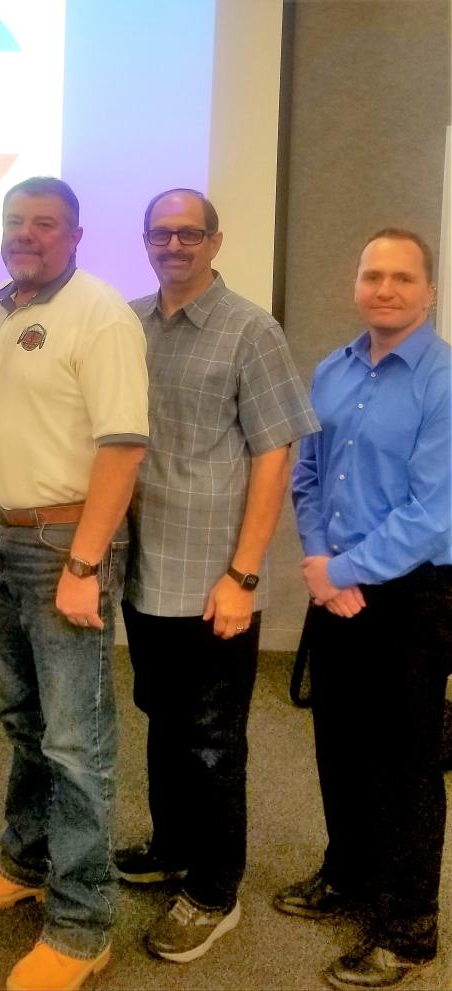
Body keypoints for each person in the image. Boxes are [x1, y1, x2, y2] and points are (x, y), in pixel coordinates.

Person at [0, 176, 149, 991]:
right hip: (3, 534)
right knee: (23, 718)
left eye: (43, 224)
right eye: (13, 222)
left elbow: (124, 447)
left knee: (77, 740)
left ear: (74, 234)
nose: (24, 235)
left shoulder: (98, 314)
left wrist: (85, 565)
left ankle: (81, 923)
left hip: (65, 543)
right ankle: (27, 861)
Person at [116, 188, 317, 963]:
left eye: (190, 233)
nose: (175, 245)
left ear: (215, 241)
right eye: (162, 233)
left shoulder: (251, 330)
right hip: (144, 566)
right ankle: (171, 847)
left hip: (212, 577)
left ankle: (213, 890)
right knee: (162, 715)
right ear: (145, 241)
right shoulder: (128, 323)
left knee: (212, 738)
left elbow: (275, 452)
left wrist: (244, 573)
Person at [274, 229, 450, 991]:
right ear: (356, 283)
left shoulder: (443, 381)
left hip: (413, 594)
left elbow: (435, 512)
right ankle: (348, 874)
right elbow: (307, 474)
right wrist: (321, 565)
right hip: (334, 587)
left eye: (402, 277)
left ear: (428, 290)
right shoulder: (331, 371)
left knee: (406, 761)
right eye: (372, 274)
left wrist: (340, 568)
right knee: (340, 743)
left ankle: (410, 927)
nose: (385, 288)